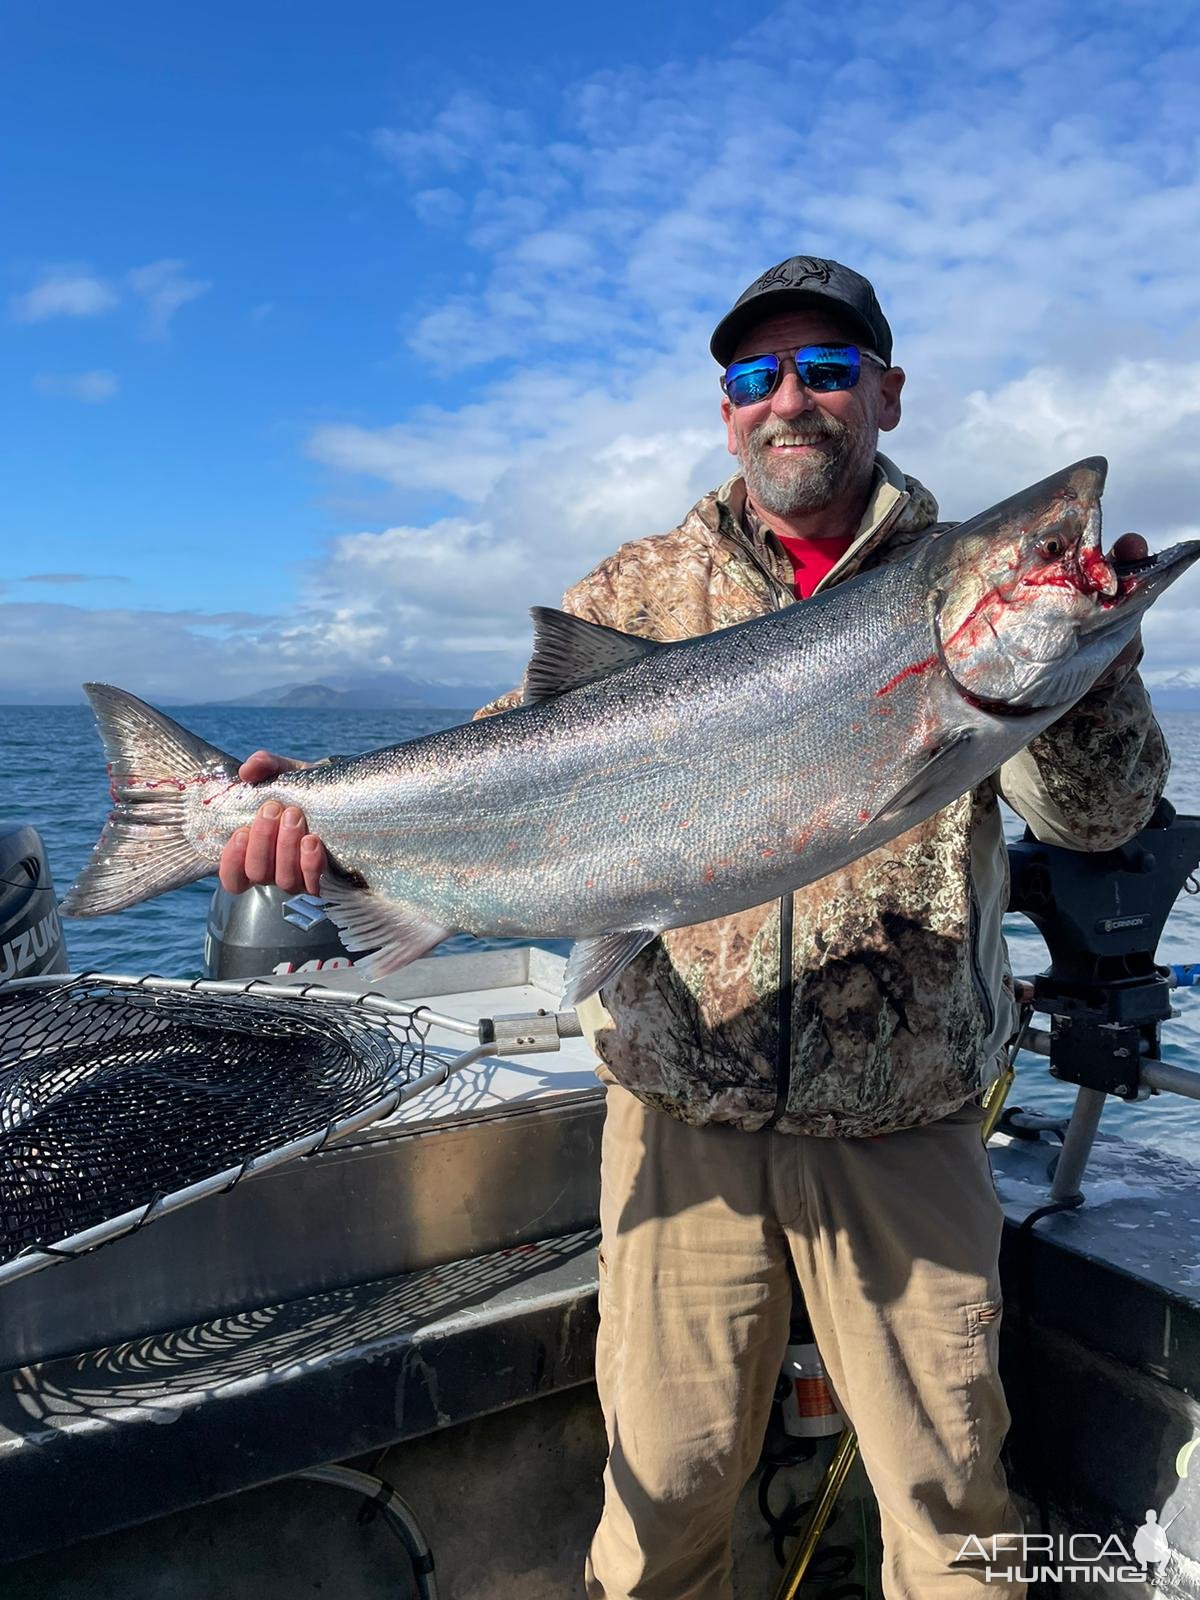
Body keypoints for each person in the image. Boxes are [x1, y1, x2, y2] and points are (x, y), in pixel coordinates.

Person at [219, 256, 1168, 1600]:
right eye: (757, 374)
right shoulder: (645, 584)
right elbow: (506, 764)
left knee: (956, 1525)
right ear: (726, 407)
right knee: (659, 1519)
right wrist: (321, 827)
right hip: (679, 1119)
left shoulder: (955, 582)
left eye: (829, 370)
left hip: (904, 1128)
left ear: (886, 395)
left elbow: (1100, 818)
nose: (792, 399)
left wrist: (1094, 645)